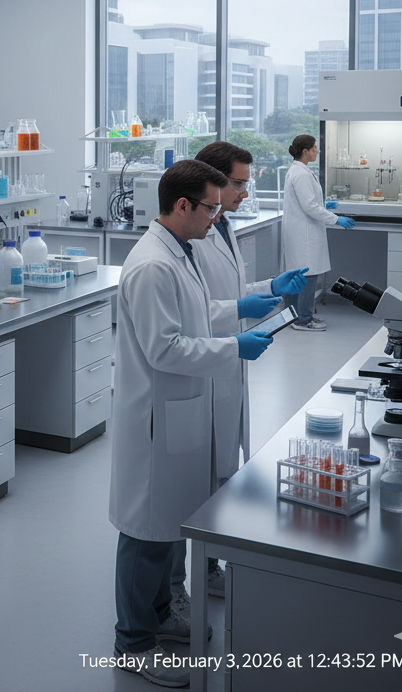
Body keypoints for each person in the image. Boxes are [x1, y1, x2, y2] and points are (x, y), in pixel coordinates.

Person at [110, 159, 273, 688]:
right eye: (209, 207)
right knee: (145, 532)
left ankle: (159, 616)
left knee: (167, 525)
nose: (216, 216)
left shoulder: (181, 250)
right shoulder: (153, 265)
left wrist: (242, 309)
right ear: (181, 205)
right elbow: (165, 347)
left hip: (181, 410)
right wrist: (233, 348)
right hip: (157, 416)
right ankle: (132, 642)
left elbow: (197, 313)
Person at [158, 142, 307, 607]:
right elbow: (201, 309)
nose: (246, 191)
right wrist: (240, 310)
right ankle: (179, 587)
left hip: (224, 365)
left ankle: (207, 567)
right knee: (189, 491)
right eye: (238, 183)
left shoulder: (218, 226)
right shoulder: (191, 237)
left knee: (220, 480)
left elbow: (229, 291)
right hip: (206, 367)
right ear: (212, 184)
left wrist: (265, 290)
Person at [283, 135, 355, 332]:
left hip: (301, 231)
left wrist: (325, 206)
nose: (317, 151)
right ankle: (303, 320)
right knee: (307, 277)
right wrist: (335, 218)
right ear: (305, 151)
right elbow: (310, 207)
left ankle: (293, 317)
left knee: (299, 276)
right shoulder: (302, 174)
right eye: (314, 149)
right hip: (304, 233)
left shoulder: (298, 171)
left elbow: (309, 203)